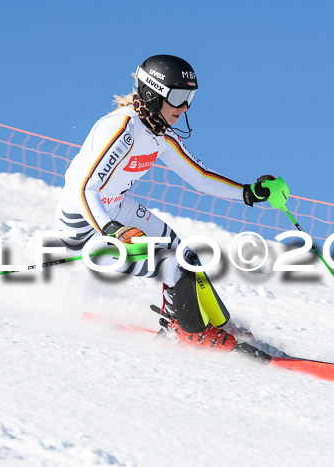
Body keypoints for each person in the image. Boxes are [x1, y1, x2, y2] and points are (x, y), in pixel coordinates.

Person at [55, 54, 284, 356]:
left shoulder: (159, 134)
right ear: (152, 93)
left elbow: (200, 178)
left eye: (189, 97)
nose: (185, 106)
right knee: (173, 265)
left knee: (185, 254)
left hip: (115, 209)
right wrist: (113, 229)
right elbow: (84, 188)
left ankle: (219, 323)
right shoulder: (122, 128)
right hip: (85, 227)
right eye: (178, 97)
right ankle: (188, 331)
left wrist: (248, 193)